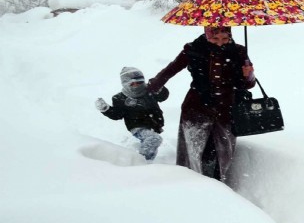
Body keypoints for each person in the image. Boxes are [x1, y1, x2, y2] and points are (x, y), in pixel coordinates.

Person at [146, 26, 255, 182]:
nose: (220, 43)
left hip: (226, 109)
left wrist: (249, 75)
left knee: (222, 151)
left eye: (225, 39)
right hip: (197, 107)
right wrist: (153, 86)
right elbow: (171, 69)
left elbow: (247, 85)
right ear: (207, 35)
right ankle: (192, 183)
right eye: (215, 38)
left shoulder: (238, 51)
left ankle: (219, 185)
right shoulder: (193, 49)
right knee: (195, 150)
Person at [95, 67, 169, 161]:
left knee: (152, 143)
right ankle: (140, 161)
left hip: (155, 125)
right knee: (154, 139)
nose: (136, 85)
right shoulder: (120, 98)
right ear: (125, 83)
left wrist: (159, 87)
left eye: (139, 82)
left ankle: (149, 162)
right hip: (137, 127)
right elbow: (117, 114)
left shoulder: (149, 91)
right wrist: (105, 109)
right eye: (132, 83)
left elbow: (163, 96)